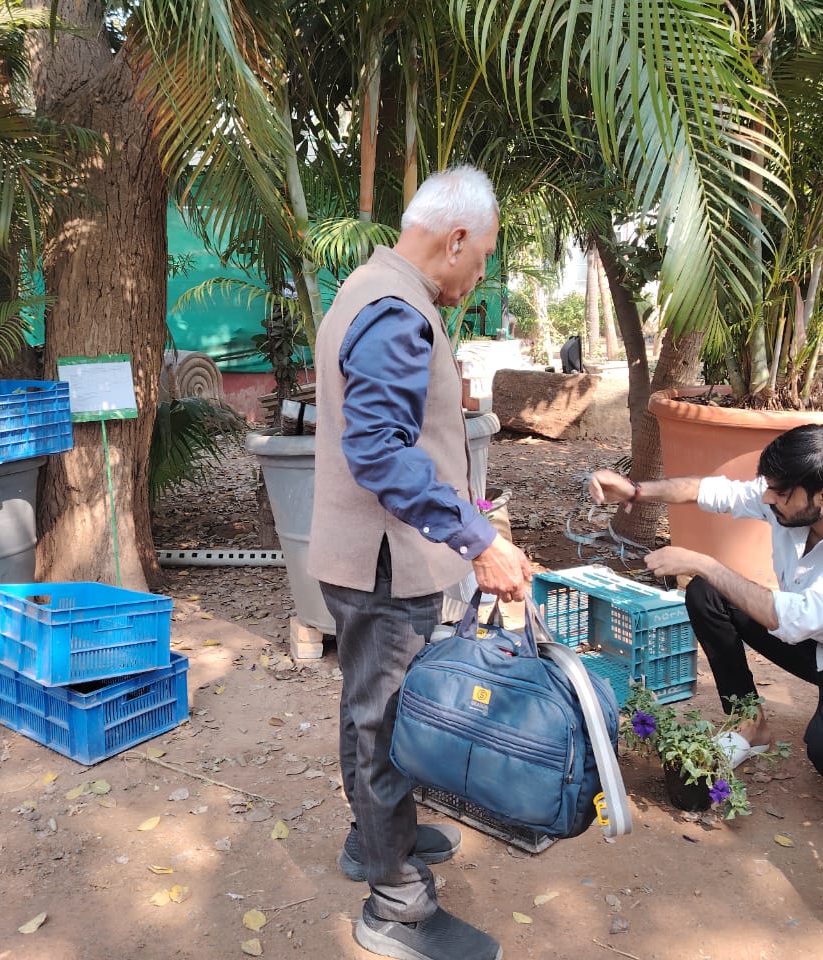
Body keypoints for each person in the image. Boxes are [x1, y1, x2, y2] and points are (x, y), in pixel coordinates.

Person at [309, 165, 532, 960]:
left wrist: (473, 519)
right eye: (484, 257)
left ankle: (371, 841)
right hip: (383, 564)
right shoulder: (398, 312)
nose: (481, 274)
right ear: (457, 237)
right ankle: (395, 903)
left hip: (361, 554)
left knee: (369, 707)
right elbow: (379, 452)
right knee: (384, 721)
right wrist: (476, 540)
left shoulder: (366, 285)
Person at [589, 424, 823, 786]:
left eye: (780, 493)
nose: (767, 499)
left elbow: (800, 619)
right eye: (768, 487)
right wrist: (637, 490)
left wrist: (702, 562)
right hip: (819, 643)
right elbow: (710, 490)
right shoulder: (793, 498)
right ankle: (748, 721)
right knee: (708, 594)